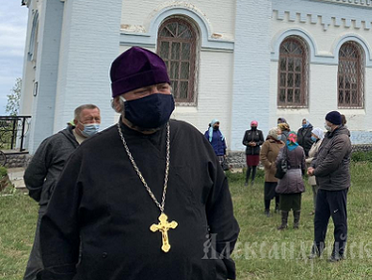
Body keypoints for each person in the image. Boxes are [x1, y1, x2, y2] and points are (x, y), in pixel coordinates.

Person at [38, 46, 239, 280]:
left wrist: (216, 262)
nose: (156, 96)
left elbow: (221, 211)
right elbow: (59, 231)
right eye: (143, 91)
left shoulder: (192, 139)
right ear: (118, 102)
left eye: (162, 88)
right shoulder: (90, 155)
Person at [23, 104, 101, 280]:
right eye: (89, 120)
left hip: (85, 212)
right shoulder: (55, 143)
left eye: (97, 119)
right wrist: (47, 197)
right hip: (52, 211)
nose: (94, 123)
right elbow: (33, 175)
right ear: (76, 122)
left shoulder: (99, 145)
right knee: (41, 259)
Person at [307, 111, 352, 262]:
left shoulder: (342, 139)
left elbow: (332, 161)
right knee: (320, 219)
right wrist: (313, 165)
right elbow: (320, 155)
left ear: (333, 123)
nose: (325, 124)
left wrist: (315, 171)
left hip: (337, 186)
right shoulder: (328, 136)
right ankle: (317, 248)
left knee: (339, 221)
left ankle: (338, 252)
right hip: (324, 185)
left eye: (327, 122)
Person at [275, 133, 307, 230]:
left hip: (286, 175)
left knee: (284, 201)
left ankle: (284, 224)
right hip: (297, 175)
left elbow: (278, 161)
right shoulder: (300, 149)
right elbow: (303, 164)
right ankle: (296, 224)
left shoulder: (284, 149)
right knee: (297, 201)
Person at [260, 127, 285, 216]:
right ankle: (267, 209)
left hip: (280, 171)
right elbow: (263, 157)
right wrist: (269, 165)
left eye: (280, 133)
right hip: (271, 172)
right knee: (269, 191)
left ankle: (278, 207)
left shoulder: (282, 143)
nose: (280, 135)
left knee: (279, 191)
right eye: (278, 133)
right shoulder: (267, 143)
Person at [305, 127, 325, 215]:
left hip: (316, 168)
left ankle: (320, 209)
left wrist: (306, 161)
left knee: (318, 191)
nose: (312, 136)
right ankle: (316, 208)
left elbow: (318, 157)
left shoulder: (320, 144)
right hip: (311, 167)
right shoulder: (315, 143)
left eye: (313, 134)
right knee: (314, 192)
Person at [242, 121, 264, 186]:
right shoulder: (247, 132)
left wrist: (256, 144)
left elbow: (262, 141)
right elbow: (244, 141)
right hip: (249, 151)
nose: (253, 125)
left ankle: (252, 181)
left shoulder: (259, 132)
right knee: (249, 167)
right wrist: (248, 144)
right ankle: (246, 180)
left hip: (256, 151)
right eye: (252, 124)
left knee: (254, 167)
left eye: (254, 124)